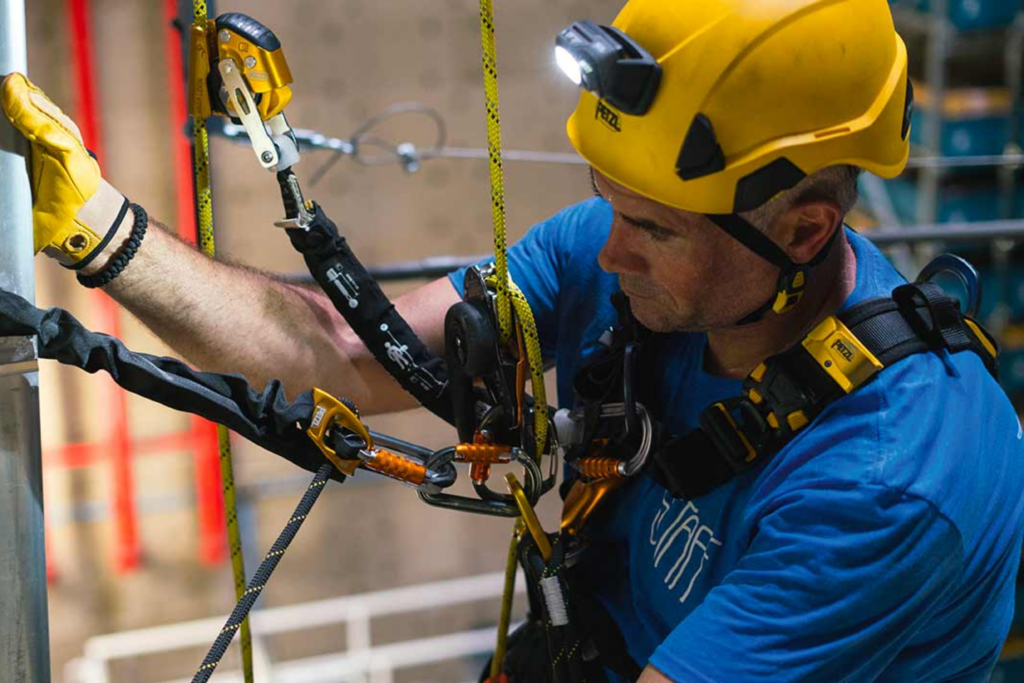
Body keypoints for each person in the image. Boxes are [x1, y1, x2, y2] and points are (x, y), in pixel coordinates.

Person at [3, 0, 1023, 679]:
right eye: (609, 206)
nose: (607, 252)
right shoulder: (644, 269)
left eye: (653, 228)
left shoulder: (886, 482)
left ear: (802, 229)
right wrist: (102, 228)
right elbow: (338, 352)